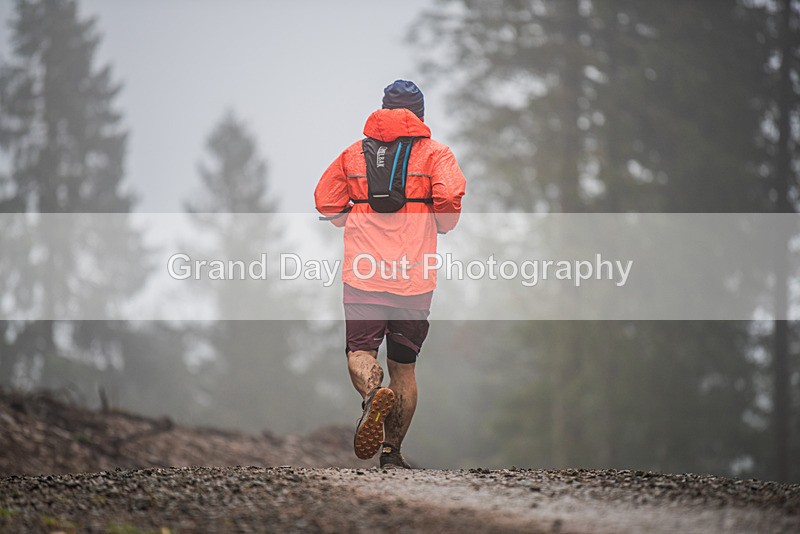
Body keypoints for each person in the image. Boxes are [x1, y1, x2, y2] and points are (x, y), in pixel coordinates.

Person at [314, 80, 466, 469]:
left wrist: (346, 217)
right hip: (415, 278)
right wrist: (442, 224)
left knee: (360, 352)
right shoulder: (436, 154)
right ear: (420, 115)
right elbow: (448, 198)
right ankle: (392, 452)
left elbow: (325, 199)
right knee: (405, 365)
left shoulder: (352, 155)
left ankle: (370, 395)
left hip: (363, 273)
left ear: (382, 111)